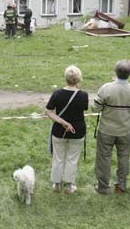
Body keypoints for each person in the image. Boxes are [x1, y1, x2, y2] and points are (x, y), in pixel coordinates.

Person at [92, 60, 130, 194]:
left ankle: (103, 187)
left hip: (106, 129)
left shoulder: (106, 88)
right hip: (125, 129)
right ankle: (121, 185)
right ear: (129, 74)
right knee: (124, 158)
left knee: (104, 158)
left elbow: (95, 108)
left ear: (115, 72)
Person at [45, 65, 89, 194]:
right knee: (72, 158)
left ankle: (57, 185)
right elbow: (84, 109)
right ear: (79, 79)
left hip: (59, 131)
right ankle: (69, 186)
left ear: (65, 78)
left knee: (58, 157)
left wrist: (62, 122)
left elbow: (48, 111)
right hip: (78, 131)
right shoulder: (83, 95)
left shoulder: (57, 94)